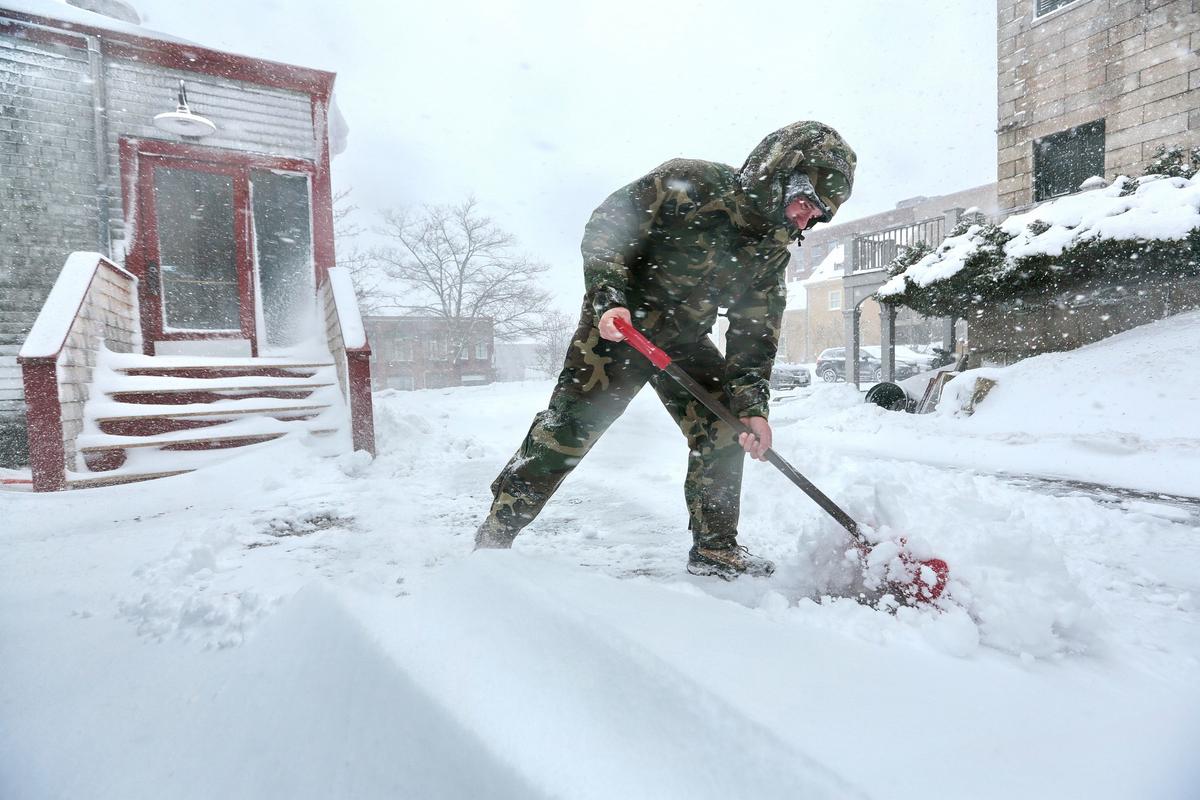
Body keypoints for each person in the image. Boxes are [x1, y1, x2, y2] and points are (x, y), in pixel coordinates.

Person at [475, 121, 856, 579]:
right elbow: (607, 229)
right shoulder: (689, 183)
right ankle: (496, 535)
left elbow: (754, 332)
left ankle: (715, 549)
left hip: (684, 341)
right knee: (567, 435)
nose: (806, 219)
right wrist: (608, 297)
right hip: (619, 330)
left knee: (723, 427)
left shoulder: (770, 248)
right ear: (780, 174)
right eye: (806, 203)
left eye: (818, 215)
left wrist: (753, 408)